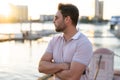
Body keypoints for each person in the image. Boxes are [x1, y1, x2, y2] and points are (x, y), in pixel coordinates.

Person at [38, 3, 93, 80]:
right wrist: (62, 66)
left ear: (67, 19)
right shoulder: (54, 40)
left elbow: (72, 77)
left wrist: (52, 68)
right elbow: (41, 67)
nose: (53, 21)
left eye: (56, 18)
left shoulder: (83, 43)